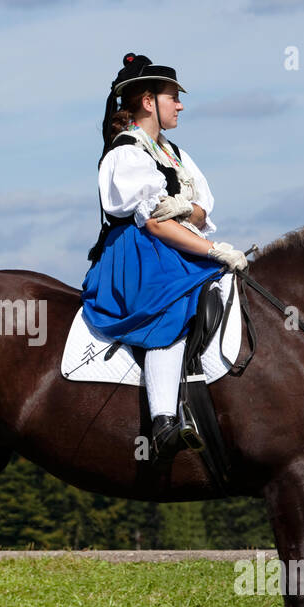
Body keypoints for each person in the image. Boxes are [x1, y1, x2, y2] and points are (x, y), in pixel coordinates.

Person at [81, 52, 248, 461]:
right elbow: (153, 223)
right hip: (138, 254)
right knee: (171, 304)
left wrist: (184, 210)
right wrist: (212, 249)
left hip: (172, 242)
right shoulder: (126, 153)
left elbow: (202, 211)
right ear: (147, 101)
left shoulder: (175, 155)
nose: (181, 104)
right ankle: (162, 423)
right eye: (173, 96)